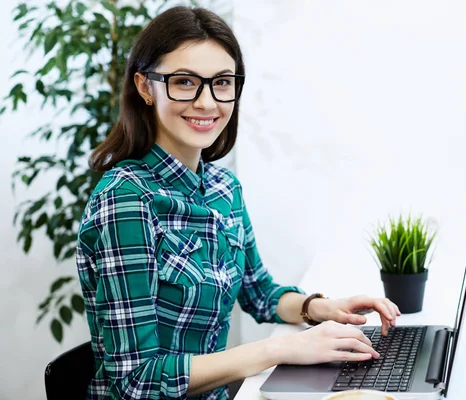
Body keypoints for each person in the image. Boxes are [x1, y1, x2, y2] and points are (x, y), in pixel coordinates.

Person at [76, 6, 401, 400]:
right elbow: (137, 380)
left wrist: (322, 307)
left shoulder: (223, 186)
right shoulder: (126, 199)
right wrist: (280, 349)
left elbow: (258, 291)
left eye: (222, 83)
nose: (207, 102)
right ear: (145, 87)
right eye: (184, 82)